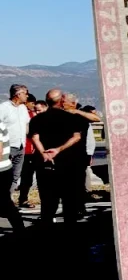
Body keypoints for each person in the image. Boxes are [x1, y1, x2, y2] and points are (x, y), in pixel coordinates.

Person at [29, 89, 91, 224]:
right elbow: (76, 137)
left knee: (48, 202)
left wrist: (44, 153)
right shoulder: (72, 118)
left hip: (46, 165)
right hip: (69, 164)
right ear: (61, 100)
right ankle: (70, 231)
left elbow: (35, 138)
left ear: (46, 101)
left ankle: (47, 229)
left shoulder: (36, 119)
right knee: (70, 201)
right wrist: (59, 149)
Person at [1, 84, 30, 197]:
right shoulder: (4, 107)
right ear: (18, 94)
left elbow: (26, 124)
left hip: (21, 145)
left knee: (15, 176)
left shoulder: (23, 108)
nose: (27, 96)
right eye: (25, 93)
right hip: (7, 147)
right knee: (4, 176)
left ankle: (6, 200)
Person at [17, 100, 46, 207]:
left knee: (43, 177)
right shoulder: (28, 116)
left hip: (42, 151)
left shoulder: (47, 117)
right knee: (26, 177)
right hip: (29, 151)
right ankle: (23, 198)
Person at [0, 113, 23, 233]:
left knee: (4, 202)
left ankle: (20, 229)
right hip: (4, 169)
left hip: (1, 170)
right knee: (4, 202)